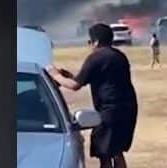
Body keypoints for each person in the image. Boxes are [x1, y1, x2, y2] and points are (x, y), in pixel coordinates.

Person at [48, 23, 139, 168]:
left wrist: (55, 75)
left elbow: (74, 85)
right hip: (128, 109)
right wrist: (69, 76)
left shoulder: (95, 58)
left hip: (109, 111)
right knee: (117, 151)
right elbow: (98, 79)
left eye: (90, 42)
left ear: (95, 42)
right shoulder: (119, 56)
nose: (89, 45)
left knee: (104, 153)